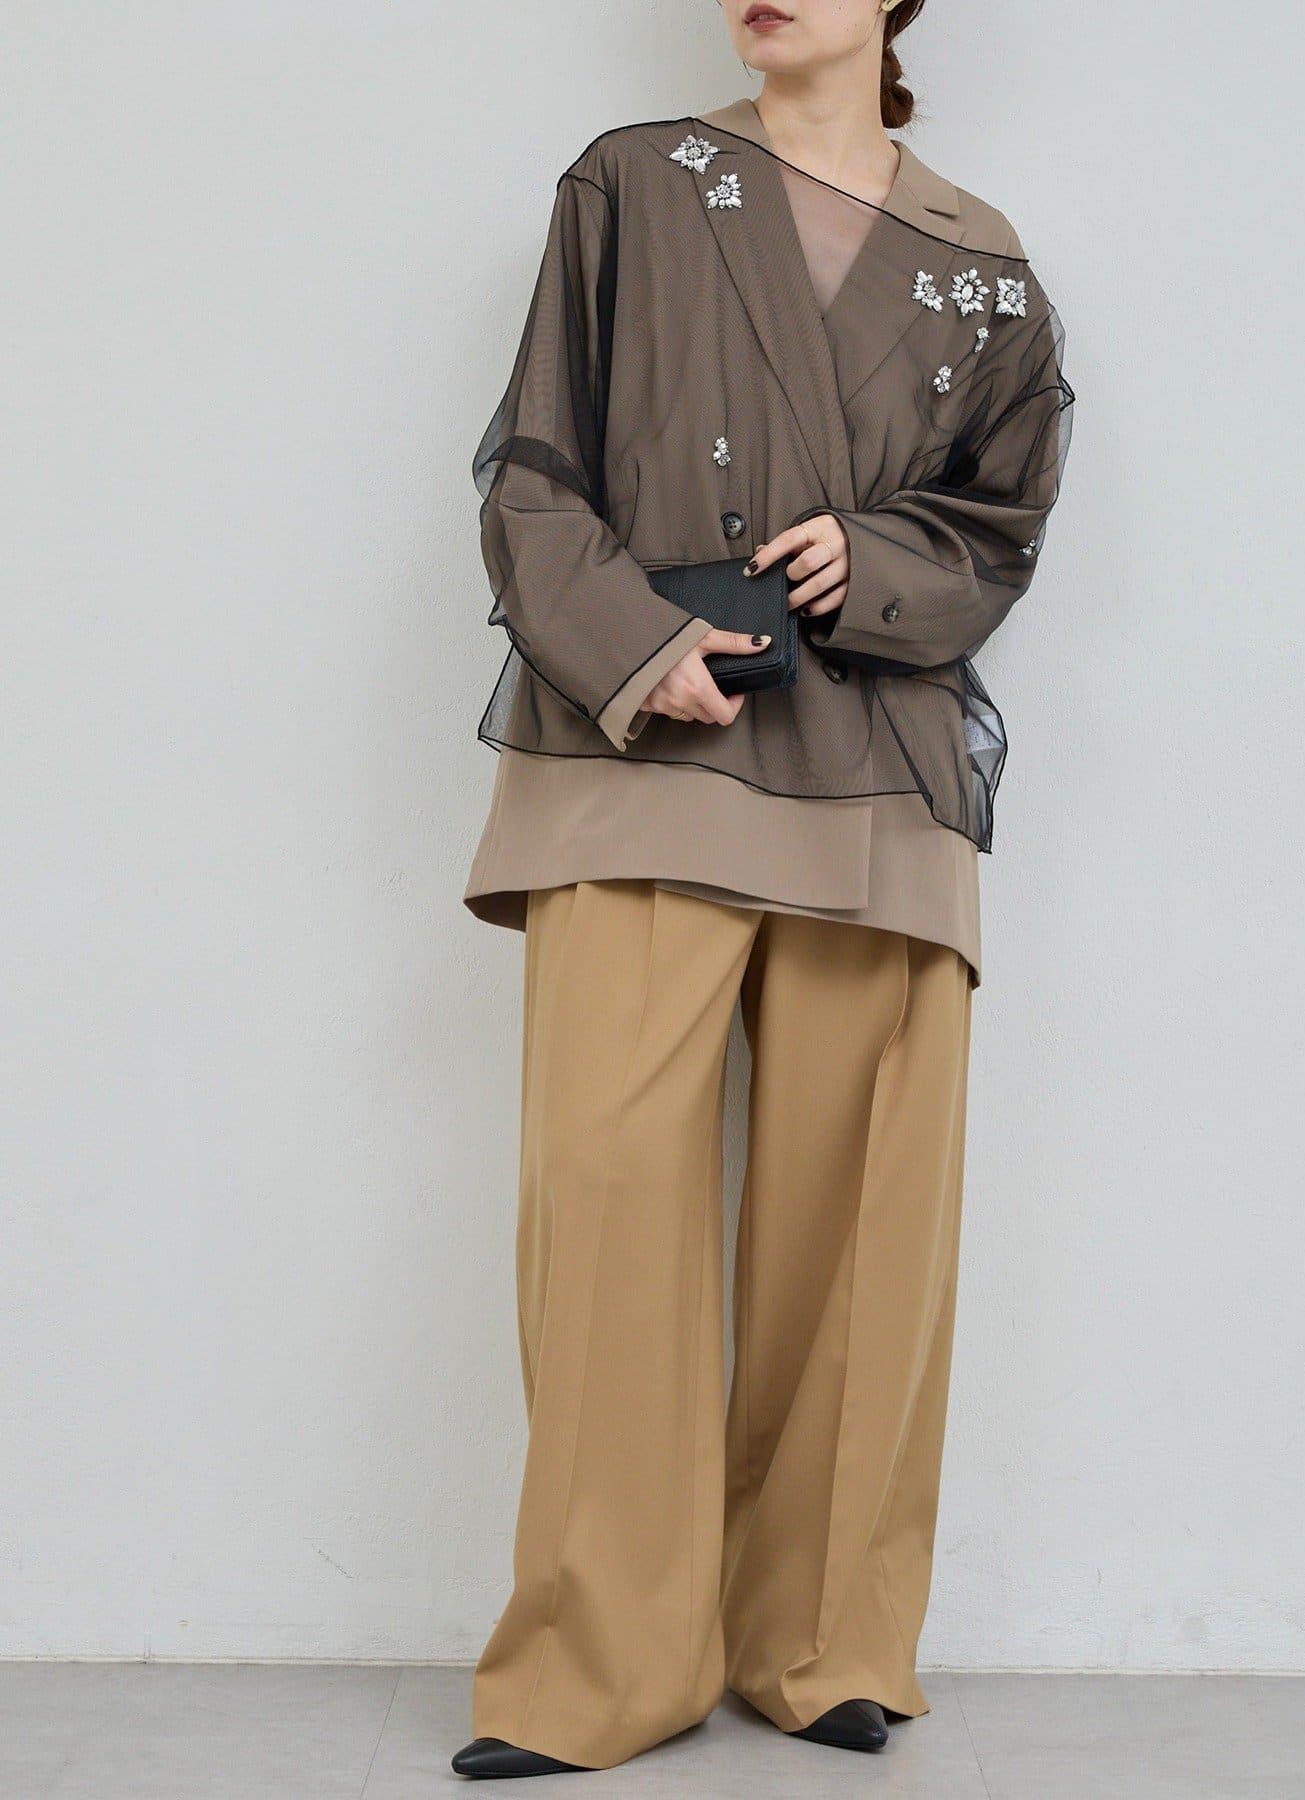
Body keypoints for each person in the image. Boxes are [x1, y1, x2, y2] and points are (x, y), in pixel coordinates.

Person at [453, 0, 1072, 1778]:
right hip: (643, 750)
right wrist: (633, 644)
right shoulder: (635, 184)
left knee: (863, 1223)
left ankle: (825, 1642)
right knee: (605, 1201)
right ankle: (599, 1667)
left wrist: (871, 557)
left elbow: (1000, 524)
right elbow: (535, 467)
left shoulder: (982, 261)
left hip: (880, 768)